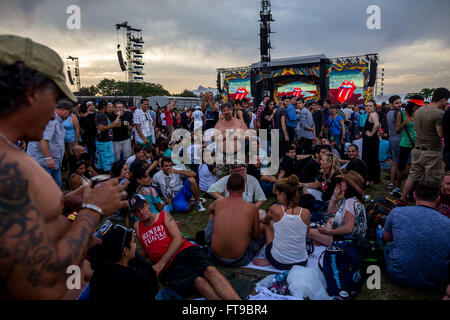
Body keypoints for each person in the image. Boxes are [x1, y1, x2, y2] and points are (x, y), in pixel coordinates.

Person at [0, 34, 127, 299]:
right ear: (30, 94)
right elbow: (41, 280)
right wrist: (94, 210)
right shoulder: (6, 168)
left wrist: (67, 202)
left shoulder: (11, 152)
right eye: (55, 98)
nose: (54, 113)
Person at [130, 194, 240, 299]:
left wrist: (160, 265)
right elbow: (148, 248)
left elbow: (178, 239)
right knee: (198, 282)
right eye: (137, 211)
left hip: (185, 251)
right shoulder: (137, 227)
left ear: (147, 204)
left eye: (142, 207)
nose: (141, 212)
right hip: (170, 266)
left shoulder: (163, 215)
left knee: (210, 270)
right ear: (134, 214)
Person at [383, 181, 450, 289]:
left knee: (389, 247)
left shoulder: (397, 212)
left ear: (414, 195)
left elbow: (386, 237)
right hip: (435, 280)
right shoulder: (447, 223)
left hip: (398, 275)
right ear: (438, 199)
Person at [399, 88, 449, 205]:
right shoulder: (439, 114)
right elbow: (440, 134)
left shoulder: (418, 111)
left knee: (412, 176)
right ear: (442, 99)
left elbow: (416, 129)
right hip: (432, 150)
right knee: (432, 180)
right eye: (445, 101)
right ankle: (429, 203)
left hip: (417, 149)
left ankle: (402, 199)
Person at [205, 173, 265, 267]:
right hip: (240, 259)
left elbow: (210, 210)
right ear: (244, 188)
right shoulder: (252, 208)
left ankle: (208, 239)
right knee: (262, 236)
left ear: (227, 188)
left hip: (215, 256)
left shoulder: (218, 202)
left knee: (213, 213)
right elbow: (256, 235)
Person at [88, 226, 159, 300]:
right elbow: (153, 291)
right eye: (133, 242)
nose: (135, 245)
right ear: (125, 250)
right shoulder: (138, 279)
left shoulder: (97, 274)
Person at [260, 175, 310, 270]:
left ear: (282, 194)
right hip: (302, 262)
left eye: (277, 194)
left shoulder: (275, 209)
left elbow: (266, 221)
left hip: (279, 262)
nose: (277, 197)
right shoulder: (306, 212)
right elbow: (307, 234)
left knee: (267, 226)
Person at [308, 170, 367, 246]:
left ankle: (325, 240)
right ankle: (323, 239)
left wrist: (328, 232)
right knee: (331, 220)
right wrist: (334, 195)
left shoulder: (351, 202)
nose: (340, 183)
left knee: (308, 231)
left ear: (349, 185)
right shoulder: (348, 198)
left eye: (343, 181)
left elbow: (348, 229)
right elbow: (330, 211)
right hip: (346, 235)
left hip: (349, 240)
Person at [27, 99, 73, 188]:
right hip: (44, 163)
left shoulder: (57, 120)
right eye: (69, 112)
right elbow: (43, 140)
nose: (70, 115)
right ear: (63, 110)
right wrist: (48, 158)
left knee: (55, 189)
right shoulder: (51, 120)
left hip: (53, 163)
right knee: (48, 191)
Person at [395, 96, 423, 193]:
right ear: (413, 106)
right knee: (401, 166)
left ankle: (410, 187)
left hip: (417, 143)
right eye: (417, 106)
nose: (419, 108)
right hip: (405, 143)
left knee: (414, 166)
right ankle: (398, 186)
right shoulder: (401, 114)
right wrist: (405, 123)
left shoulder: (419, 114)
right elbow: (397, 130)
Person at [213, 102, 248, 179]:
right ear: (222, 112)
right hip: (222, 156)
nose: (226, 112)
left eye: (228, 110)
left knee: (238, 179)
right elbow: (213, 138)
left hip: (237, 156)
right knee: (222, 180)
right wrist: (223, 136)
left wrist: (236, 136)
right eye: (224, 110)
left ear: (232, 110)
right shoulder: (219, 124)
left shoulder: (239, 122)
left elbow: (248, 135)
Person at [95, 100, 120, 173]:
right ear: (104, 107)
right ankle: (108, 177)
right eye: (107, 106)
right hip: (104, 141)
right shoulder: (101, 115)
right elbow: (101, 128)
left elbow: (105, 125)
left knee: (101, 160)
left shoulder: (101, 114)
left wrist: (113, 123)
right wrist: (113, 125)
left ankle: (101, 177)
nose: (108, 108)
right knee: (108, 161)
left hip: (102, 141)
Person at [385, 95, 403, 191]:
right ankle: (398, 185)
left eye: (400, 102)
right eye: (397, 103)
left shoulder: (388, 113)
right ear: (391, 104)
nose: (399, 104)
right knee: (401, 163)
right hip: (399, 139)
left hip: (392, 139)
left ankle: (392, 182)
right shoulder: (397, 113)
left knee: (395, 162)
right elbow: (398, 129)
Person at [362, 100, 381, 185]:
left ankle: (370, 179)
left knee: (369, 159)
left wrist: (371, 134)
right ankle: (373, 178)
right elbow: (379, 125)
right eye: (367, 106)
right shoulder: (373, 114)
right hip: (371, 140)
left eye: (370, 106)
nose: (368, 107)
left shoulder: (373, 114)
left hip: (371, 141)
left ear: (374, 107)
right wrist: (377, 133)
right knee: (372, 159)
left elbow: (377, 124)